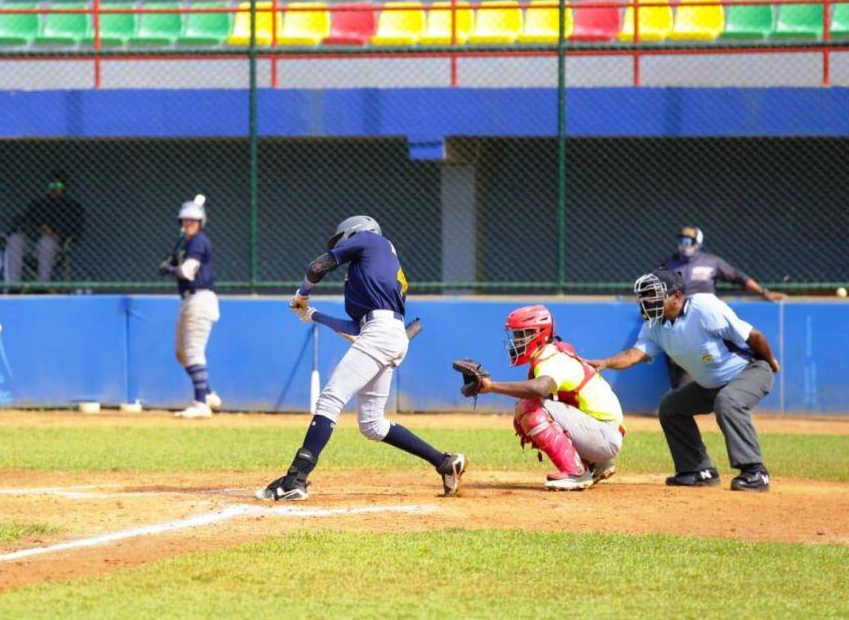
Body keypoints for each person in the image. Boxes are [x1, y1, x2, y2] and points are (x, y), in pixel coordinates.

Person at [256, 215, 467, 501]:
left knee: (331, 398)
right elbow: (355, 328)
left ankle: (297, 477)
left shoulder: (370, 239)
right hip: (384, 333)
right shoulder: (373, 268)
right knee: (372, 425)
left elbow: (317, 266)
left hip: (381, 334)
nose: (343, 244)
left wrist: (302, 293)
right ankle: (444, 462)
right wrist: (313, 314)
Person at [587, 269, 779, 492]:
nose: (648, 302)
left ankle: (755, 472)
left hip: (750, 370)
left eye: (654, 295)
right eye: (645, 296)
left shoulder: (704, 307)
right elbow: (633, 355)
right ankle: (698, 471)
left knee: (728, 401)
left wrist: (770, 363)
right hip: (712, 385)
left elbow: (754, 336)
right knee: (671, 407)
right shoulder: (654, 325)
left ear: (677, 296)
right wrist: (604, 363)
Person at [453, 305, 624, 491]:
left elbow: (539, 389)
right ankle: (595, 464)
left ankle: (576, 473)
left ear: (539, 334)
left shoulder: (553, 359)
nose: (516, 342)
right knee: (528, 411)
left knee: (529, 408)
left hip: (605, 435)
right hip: (601, 433)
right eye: (515, 336)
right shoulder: (550, 355)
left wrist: (492, 386)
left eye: (521, 335)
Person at [661, 226, 786, 388]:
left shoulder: (712, 262)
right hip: (677, 318)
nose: (683, 245)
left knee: (721, 352)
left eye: (688, 241)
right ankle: (682, 395)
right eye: (681, 241)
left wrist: (764, 292)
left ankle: (737, 385)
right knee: (676, 358)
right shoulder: (670, 264)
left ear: (697, 243)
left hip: (706, 317)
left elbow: (738, 277)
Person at [158, 196, 222, 419]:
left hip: (200, 299)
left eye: (192, 221)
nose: (188, 225)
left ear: (200, 223)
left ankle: (200, 403)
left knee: (193, 351)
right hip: (188, 300)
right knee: (182, 353)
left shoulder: (198, 241)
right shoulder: (187, 242)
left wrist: (170, 269)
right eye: (185, 221)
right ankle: (208, 394)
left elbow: (187, 271)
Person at [4, 172, 85, 285]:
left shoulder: (72, 207)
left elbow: (76, 231)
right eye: (51, 185)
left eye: (58, 185)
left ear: (65, 187)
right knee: (15, 239)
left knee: (46, 242)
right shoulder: (38, 204)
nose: (54, 188)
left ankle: (43, 286)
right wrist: (37, 228)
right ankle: (12, 286)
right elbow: (23, 221)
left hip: (55, 247)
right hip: (32, 243)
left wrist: (56, 233)